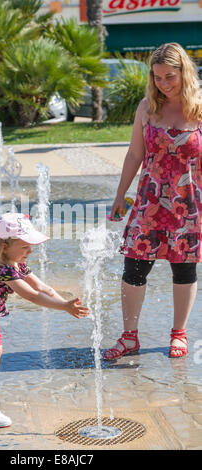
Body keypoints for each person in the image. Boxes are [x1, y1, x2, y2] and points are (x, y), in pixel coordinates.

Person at [103, 43, 202, 361]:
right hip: (149, 202)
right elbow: (135, 153)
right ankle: (129, 336)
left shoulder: (199, 109)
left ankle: (179, 334)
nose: (163, 83)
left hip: (189, 203)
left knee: (183, 268)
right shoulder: (147, 108)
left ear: (184, 73)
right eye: (157, 77)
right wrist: (121, 195)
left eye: (169, 76)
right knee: (134, 266)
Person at [0, 212, 89, 428]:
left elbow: (42, 288)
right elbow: (32, 296)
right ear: (5, 246)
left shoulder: (15, 264)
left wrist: (66, 304)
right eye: (25, 246)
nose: (30, 251)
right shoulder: (3, 269)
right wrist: (63, 306)